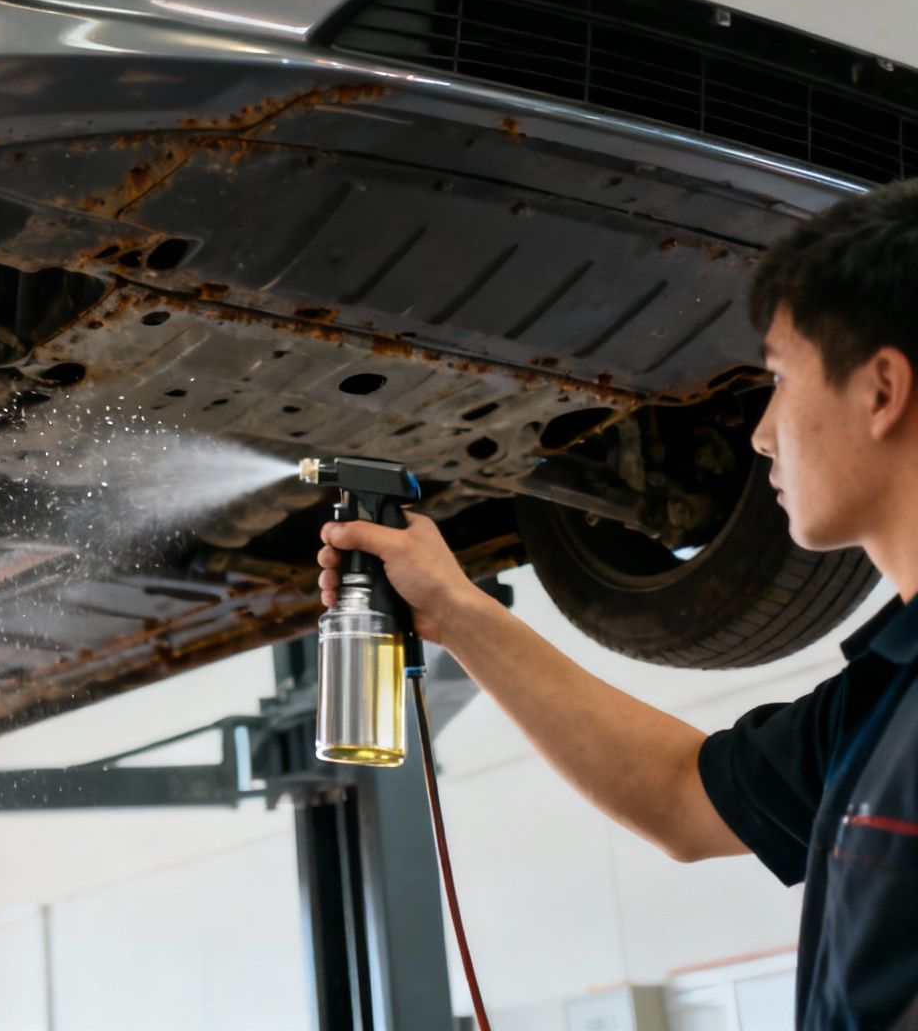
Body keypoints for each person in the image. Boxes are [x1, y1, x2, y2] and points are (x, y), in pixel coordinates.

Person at [318, 181, 918, 1029]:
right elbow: (681, 797)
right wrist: (453, 609)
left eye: (780, 378)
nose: (760, 429)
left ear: (881, 390)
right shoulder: (880, 706)